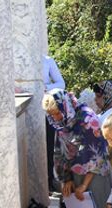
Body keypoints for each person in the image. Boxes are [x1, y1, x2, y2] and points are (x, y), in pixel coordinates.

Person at [43, 56, 66, 192]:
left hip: (48, 109)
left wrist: (45, 87)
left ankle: (50, 180)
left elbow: (61, 83)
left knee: (50, 145)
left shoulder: (47, 60)